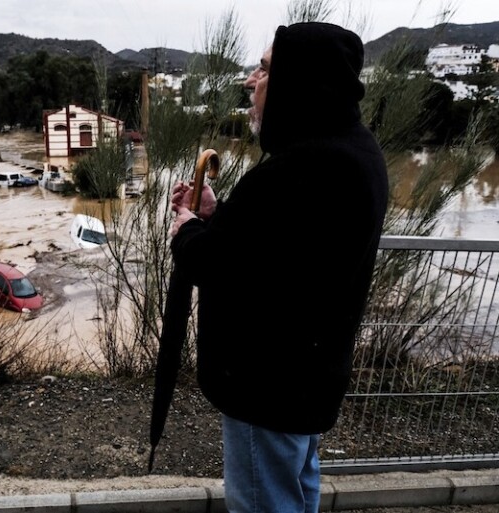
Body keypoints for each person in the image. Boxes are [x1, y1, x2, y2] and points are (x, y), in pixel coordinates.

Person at [168, 22, 389, 513]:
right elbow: (276, 253)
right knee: (295, 494)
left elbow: (222, 264)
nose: (250, 80)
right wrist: (213, 212)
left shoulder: (299, 167)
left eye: (265, 68)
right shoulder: (353, 153)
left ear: (299, 79)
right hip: (306, 381)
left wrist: (185, 230)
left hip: (267, 387)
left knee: (265, 505)